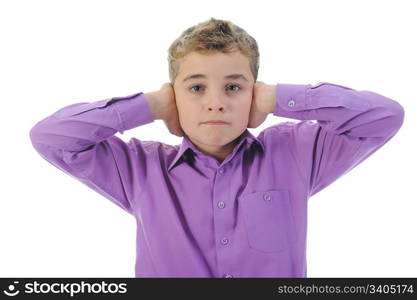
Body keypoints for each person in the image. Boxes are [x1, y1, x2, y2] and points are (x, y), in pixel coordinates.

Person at [29, 17, 405, 278]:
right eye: (195, 88)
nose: (216, 103)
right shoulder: (139, 168)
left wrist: (279, 99)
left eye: (234, 87)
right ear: (174, 94)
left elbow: (384, 117)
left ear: (254, 91)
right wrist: (150, 105)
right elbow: (51, 138)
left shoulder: (296, 152)